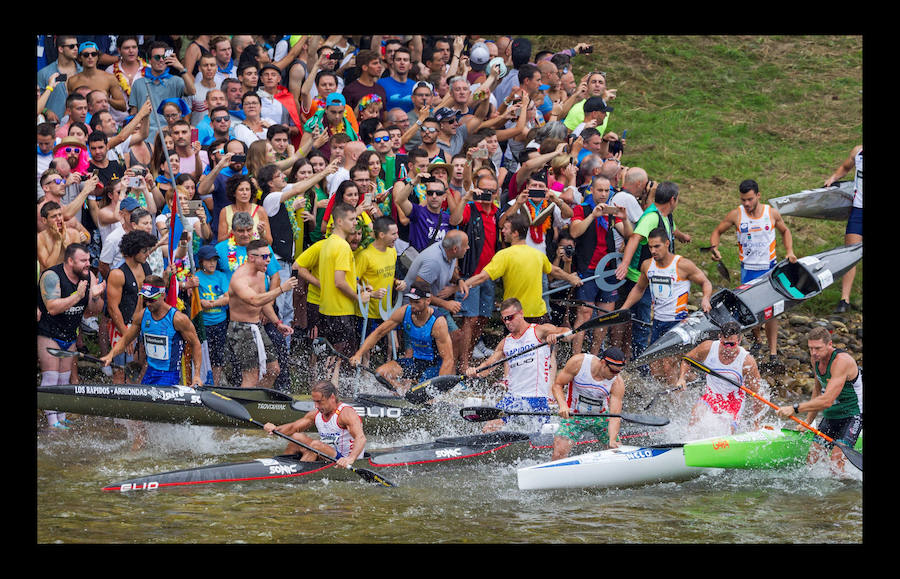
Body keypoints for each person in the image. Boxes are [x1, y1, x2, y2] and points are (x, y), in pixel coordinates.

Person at [708, 179, 796, 364]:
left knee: (771, 313)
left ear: (758, 195)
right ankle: (757, 340)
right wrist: (714, 248)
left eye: (750, 199)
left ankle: (773, 354)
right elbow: (716, 232)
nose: (746, 203)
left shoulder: (771, 213)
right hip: (748, 270)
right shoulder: (736, 215)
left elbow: (785, 231)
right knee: (750, 310)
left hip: (769, 270)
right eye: (743, 200)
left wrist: (789, 251)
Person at [620, 227, 713, 382]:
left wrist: (705, 298)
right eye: (650, 247)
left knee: (669, 366)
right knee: (656, 369)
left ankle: (679, 394)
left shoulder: (682, 265)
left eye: (657, 246)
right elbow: (639, 288)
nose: (653, 251)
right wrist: (624, 308)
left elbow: (705, 282)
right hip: (658, 322)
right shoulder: (647, 265)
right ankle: (696, 381)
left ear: (667, 243)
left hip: (678, 322)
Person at [466, 298, 570, 433]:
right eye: (504, 319)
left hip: (536, 399)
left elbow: (567, 332)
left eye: (510, 318)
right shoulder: (506, 342)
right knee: (488, 429)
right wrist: (475, 371)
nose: (507, 322)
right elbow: (488, 366)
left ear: (521, 313)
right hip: (512, 398)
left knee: (538, 437)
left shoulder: (539, 331)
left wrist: (557, 335)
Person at [615, 181, 691, 362]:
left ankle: (644, 358)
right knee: (642, 324)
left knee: (649, 320)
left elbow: (672, 229)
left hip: (659, 277)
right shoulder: (651, 217)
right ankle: (641, 364)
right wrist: (625, 264)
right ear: (672, 199)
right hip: (640, 277)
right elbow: (635, 238)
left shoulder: (666, 215)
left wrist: (682, 236)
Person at [465, 213, 582, 324]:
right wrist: (571, 278)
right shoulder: (538, 254)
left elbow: (482, 277)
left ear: (515, 233)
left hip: (514, 316)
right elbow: (555, 271)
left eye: (506, 228)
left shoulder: (504, 255)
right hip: (538, 315)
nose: (503, 231)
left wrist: (462, 286)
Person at [775, 326, 863, 473]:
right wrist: (807, 422)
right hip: (832, 415)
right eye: (811, 348)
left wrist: (794, 408)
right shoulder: (816, 359)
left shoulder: (842, 362)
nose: (814, 352)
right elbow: (817, 390)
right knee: (812, 460)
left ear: (830, 344)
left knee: (836, 463)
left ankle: (846, 487)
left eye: (818, 348)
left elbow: (827, 400)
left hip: (852, 416)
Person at [37, 243, 106, 429]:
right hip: (49, 334)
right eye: (83, 260)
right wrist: (77, 295)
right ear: (70, 261)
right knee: (51, 378)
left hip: (69, 336)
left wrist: (95, 297)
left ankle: (61, 417)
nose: (88, 264)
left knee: (64, 379)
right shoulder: (52, 276)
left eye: (88, 260)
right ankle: (52, 423)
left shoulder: (89, 276)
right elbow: (52, 308)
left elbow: (94, 311)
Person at [568, 174, 634, 355]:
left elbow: (629, 235)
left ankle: (595, 355)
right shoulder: (582, 209)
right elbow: (575, 232)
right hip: (587, 269)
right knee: (585, 313)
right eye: (600, 190)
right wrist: (593, 216)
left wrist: (625, 218)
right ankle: (576, 356)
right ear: (592, 190)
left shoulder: (611, 212)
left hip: (608, 270)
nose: (604, 194)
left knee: (605, 316)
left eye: (607, 190)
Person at [349, 280, 454, 393]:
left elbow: (448, 359)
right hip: (416, 362)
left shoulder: (438, 323)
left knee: (425, 392)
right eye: (411, 301)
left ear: (428, 301)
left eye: (417, 302)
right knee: (381, 374)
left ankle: (420, 394)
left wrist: (438, 392)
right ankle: (403, 393)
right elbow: (378, 333)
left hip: (434, 365)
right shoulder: (404, 311)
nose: (412, 305)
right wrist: (358, 354)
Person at [101, 275, 203, 387]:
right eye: (145, 299)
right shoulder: (142, 316)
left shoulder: (178, 319)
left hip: (169, 375)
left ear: (163, 295)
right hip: (150, 372)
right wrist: (110, 355)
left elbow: (196, 344)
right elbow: (126, 340)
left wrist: (197, 375)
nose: (148, 303)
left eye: (151, 299)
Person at [226, 239, 297, 388]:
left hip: (257, 327)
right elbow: (255, 300)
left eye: (269, 256)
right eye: (265, 257)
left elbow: (264, 303)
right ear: (252, 257)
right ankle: (245, 400)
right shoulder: (239, 278)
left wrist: (277, 323)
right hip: (241, 329)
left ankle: (257, 398)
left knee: (273, 370)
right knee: (251, 376)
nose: (269, 260)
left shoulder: (260, 274)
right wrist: (281, 289)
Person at [450, 171, 502, 369]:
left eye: (492, 191)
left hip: (489, 274)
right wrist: (466, 198)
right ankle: (464, 364)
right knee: (470, 319)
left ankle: (468, 356)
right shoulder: (470, 208)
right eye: (483, 190)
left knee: (484, 317)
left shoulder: (497, 212)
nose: (488, 194)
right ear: (476, 189)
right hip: (470, 272)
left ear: (497, 193)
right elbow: (454, 221)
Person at [673, 321, 763, 435]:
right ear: (719, 337)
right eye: (724, 343)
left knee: (724, 433)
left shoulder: (747, 362)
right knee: (695, 419)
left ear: (739, 340)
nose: (727, 348)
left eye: (732, 344)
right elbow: (687, 360)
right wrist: (682, 378)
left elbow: (758, 395)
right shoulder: (708, 347)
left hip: (733, 403)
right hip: (711, 397)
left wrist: (756, 424)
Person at [262, 380, 367, 469]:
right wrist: (275, 429)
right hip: (326, 453)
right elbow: (293, 427)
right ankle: (281, 468)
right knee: (297, 437)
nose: (316, 406)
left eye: (319, 402)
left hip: (344, 460)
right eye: (314, 402)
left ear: (332, 397)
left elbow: (361, 438)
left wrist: (350, 458)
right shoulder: (316, 414)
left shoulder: (346, 413)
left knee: (316, 445)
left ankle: (299, 475)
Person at [550, 347, 627, 460]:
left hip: (600, 417)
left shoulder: (617, 382)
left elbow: (615, 415)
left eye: (618, 372)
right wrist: (562, 405)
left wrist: (612, 439)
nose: (615, 375)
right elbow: (557, 385)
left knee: (616, 450)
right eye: (613, 371)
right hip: (573, 415)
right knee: (559, 452)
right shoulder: (579, 362)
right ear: (603, 363)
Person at [317, 203, 372, 362]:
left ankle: (322, 379)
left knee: (330, 358)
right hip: (340, 311)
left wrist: (359, 288)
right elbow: (340, 282)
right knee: (340, 361)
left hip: (326, 308)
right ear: (340, 221)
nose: (355, 222)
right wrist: (358, 297)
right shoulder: (343, 246)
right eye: (352, 219)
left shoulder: (328, 242)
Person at [104, 230, 157, 383]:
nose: (148, 254)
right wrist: (126, 335)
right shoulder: (118, 273)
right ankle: (116, 396)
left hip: (140, 323)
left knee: (136, 369)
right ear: (133, 251)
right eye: (144, 251)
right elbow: (113, 308)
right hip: (121, 325)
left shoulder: (145, 266)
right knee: (121, 370)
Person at [128, 41, 196, 145]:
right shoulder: (138, 83)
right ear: (149, 60)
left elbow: (192, 91)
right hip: (146, 137)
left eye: (164, 57)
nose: (161, 60)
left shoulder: (176, 81)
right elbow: (133, 113)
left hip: (171, 137)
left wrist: (181, 68)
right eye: (157, 57)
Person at [823, 145, 863, 314]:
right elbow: (845, 167)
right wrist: (833, 178)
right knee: (850, 254)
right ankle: (844, 300)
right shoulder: (858, 151)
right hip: (858, 211)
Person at [65, 41, 127, 113]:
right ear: (80, 58)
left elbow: (123, 106)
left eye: (94, 54)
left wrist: (106, 99)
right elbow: (69, 108)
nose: (90, 57)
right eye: (86, 55)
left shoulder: (109, 78)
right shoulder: (72, 81)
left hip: (102, 118)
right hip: (81, 119)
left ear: (98, 57)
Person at [38, 201, 89, 272]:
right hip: (50, 275)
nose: (59, 219)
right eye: (54, 216)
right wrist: (58, 242)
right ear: (44, 220)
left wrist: (64, 240)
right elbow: (49, 268)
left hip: (70, 274)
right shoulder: (40, 239)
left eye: (60, 215)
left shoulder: (73, 234)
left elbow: (77, 262)